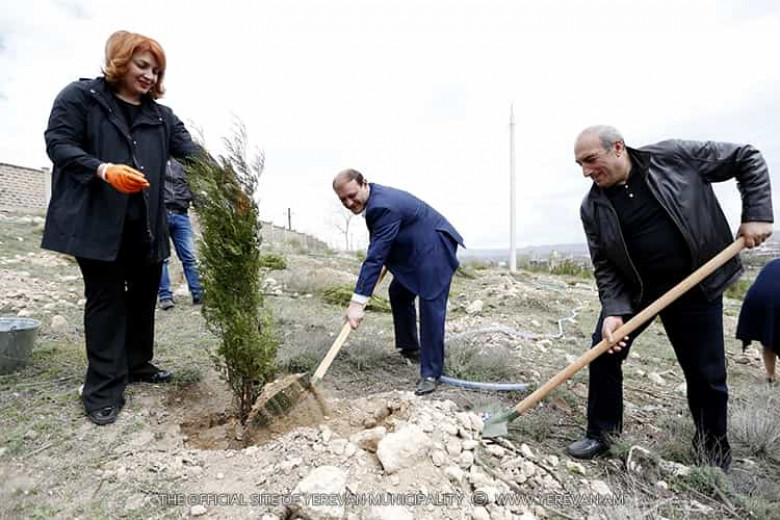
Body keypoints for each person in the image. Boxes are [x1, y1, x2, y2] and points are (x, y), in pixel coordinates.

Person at [568, 125, 773, 470]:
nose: (586, 172)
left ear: (618, 148)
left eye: (590, 160)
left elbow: (746, 157)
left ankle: (712, 455)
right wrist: (614, 310)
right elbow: (605, 265)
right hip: (639, 290)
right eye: (580, 165)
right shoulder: (593, 207)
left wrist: (757, 214)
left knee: (706, 374)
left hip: (696, 282)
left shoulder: (674, 157)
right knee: (603, 353)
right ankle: (602, 435)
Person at [42, 30, 200, 426]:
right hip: (97, 223)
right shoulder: (81, 98)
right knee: (106, 300)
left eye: (156, 70)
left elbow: (194, 155)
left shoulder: (161, 117)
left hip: (145, 224)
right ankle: (103, 388)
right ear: (119, 60)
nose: (149, 76)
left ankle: (136, 363)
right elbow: (58, 143)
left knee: (144, 297)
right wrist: (103, 169)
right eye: (142, 66)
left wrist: (230, 186)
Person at [332, 169, 464, 395]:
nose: (349, 202)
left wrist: (356, 304)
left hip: (434, 248)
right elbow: (383, 243)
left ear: (364, 184)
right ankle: (410, 346)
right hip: (415, 248)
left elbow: (374, 257)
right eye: (343, 199)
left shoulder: (381, 206)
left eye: (352, 195)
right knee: (399, 293)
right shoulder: (375, 202)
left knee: (430, 304)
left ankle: (431, 373)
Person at [158, 158, 204, 310]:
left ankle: (198, 294)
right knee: (162, 258)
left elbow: (193, 187)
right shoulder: (155, 159)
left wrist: (200, 207)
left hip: (181, 214)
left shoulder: (184, 164)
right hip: (160, 214)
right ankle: (165, 297)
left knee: (189, 257)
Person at [736, 258, 780, 385]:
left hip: (756, 299)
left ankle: (770, 376)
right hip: (775, 299)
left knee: (768, 335)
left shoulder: (773, 263)